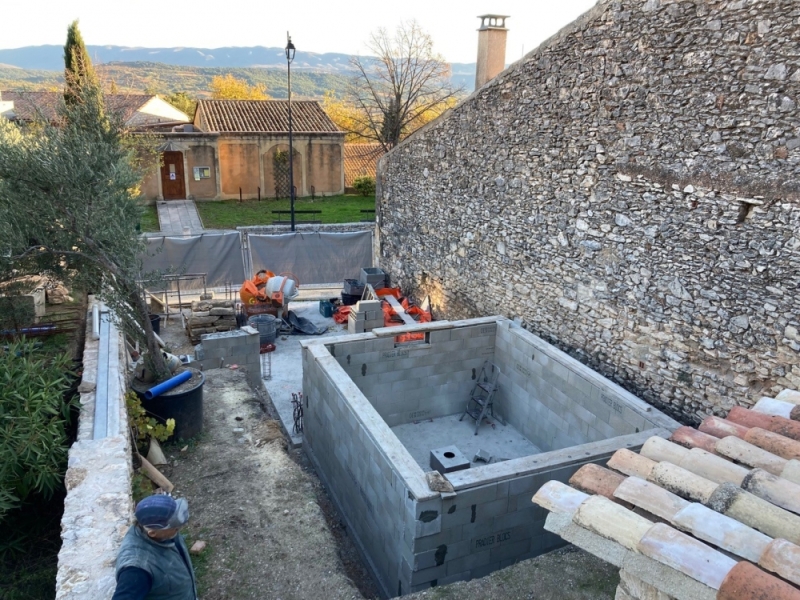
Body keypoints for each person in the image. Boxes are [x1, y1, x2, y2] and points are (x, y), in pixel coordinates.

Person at [112, 493, 198, 600]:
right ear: (152, 533)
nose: (178, 528)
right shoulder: (137, 571)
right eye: (175, 527)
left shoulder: (157, 531)